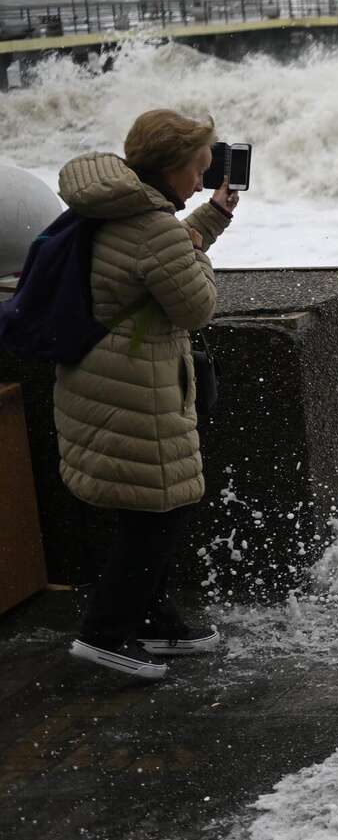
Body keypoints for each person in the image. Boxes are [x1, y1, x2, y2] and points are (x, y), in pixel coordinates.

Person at [57, 109, 237, 680]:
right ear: (175, 166)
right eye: (199, 169)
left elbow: (152, 259)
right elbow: (194, 304)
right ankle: (105, 636)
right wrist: (201, 256)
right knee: (158, 511)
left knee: (150, 506)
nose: (202, 179)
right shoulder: (152, 225)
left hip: (101, 375)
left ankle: (156, 621)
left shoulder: (116, 206)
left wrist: (210, 220)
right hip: (137, 384)